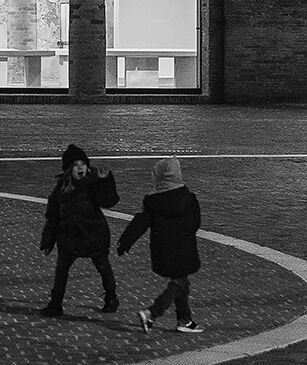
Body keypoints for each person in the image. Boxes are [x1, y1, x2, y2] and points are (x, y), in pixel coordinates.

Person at [118, 155, 205, 333]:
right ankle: (151, 313)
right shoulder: (189, 199)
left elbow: (139, 224)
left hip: (163, 250)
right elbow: (196, 222)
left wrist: (125, 242)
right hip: (184, 249)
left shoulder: (151, 202)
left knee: (181, 282)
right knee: (179, 283)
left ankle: (185, 320)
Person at [38, 142, 120, 316]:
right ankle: (56, 304)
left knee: (103, 267)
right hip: (69, 237)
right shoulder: (60, 189)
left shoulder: (93, 183)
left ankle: (111, 298)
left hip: (94, 234)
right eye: (76, 165)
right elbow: (52, 217)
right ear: (69, 168)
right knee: (61, 269)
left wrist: (106, 180)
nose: (80, 168)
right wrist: (48, 241)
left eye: (83, 164)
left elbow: (109, 201)